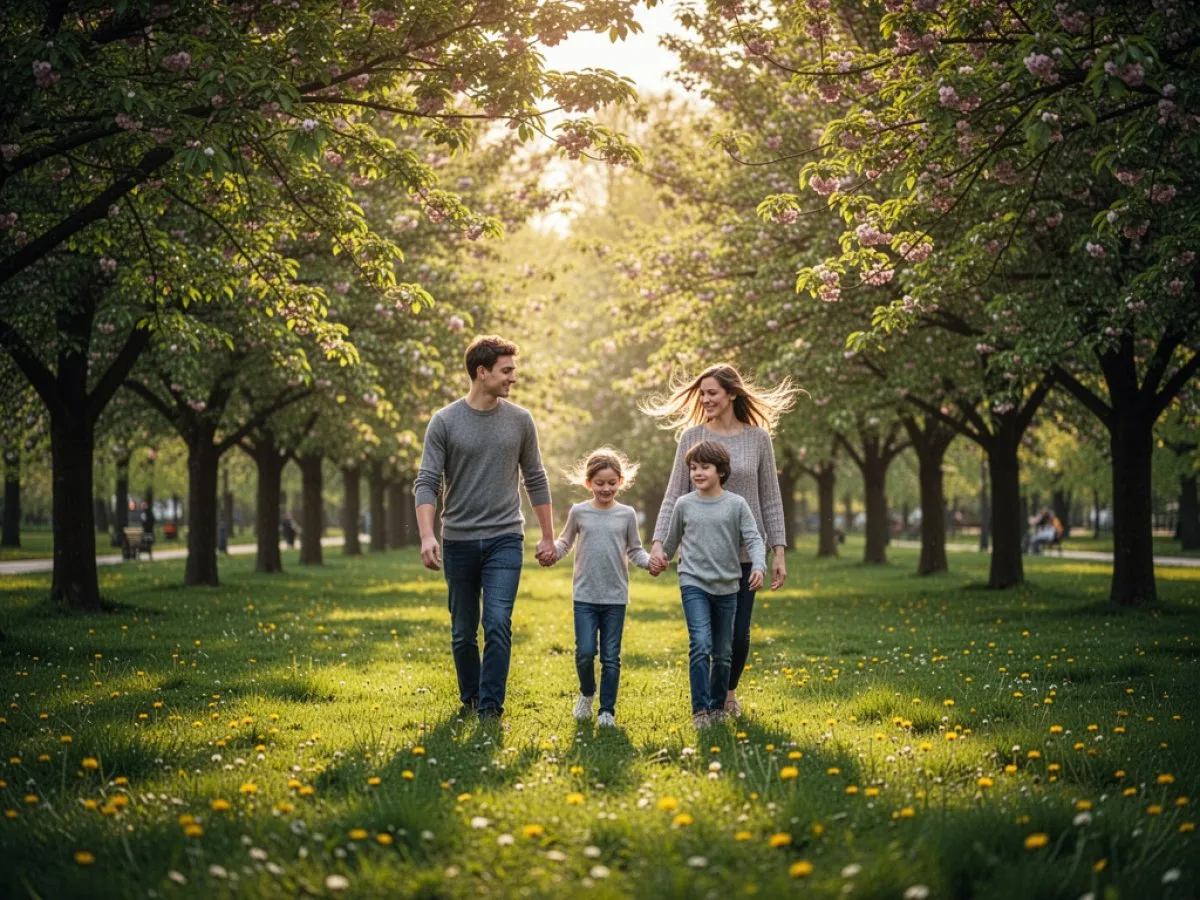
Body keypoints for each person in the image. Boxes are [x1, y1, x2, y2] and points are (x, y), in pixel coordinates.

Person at [414, 335, 556, 724]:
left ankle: (491, 708)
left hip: (505, 538)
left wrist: (547, 534)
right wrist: (427, 535)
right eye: (506, 370)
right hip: (457, 539)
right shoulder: (444, 422)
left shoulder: (521, 420)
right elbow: (427, 481)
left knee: (496, 621)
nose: (513, 377)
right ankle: (472, 698)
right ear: (482, 372)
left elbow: (536, 478)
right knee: (462, 631)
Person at [644, 364, 798, 718]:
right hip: (701, 553)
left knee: (737, 637)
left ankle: (728, 692)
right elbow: (673, 495)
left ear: (731, 394)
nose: (706, 399)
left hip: (746, 554)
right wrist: (658, 543)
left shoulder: (758, 438)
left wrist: (778, 552)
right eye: (702, 394)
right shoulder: (691, 437)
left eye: (712, 393)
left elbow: (770, 497)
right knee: (704, 639)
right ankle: (708, 706)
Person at [660, 440, 766, 729]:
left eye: (704, 467)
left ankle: (718, 706)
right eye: (693, 468)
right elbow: (670, 543)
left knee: (723, 652)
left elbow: (754, 539)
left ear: (721, 471)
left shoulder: (736, 504)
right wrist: (658, 560)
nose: (697, 473)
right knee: (701, 644)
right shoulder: (684, 504)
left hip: (728, 586)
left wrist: (758, 564)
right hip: (693, 582)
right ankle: (700, 712)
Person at [553, 448, 650, 728]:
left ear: (620, 481)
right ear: (588, 483)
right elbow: (564, 542)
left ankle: (607, 710)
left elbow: (635, 549)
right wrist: (552, 554)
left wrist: (650, 563)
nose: (606, 488)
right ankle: (586, 694)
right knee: (584, 652)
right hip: (584, 596)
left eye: (611, 483)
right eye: (599, 483)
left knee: (611, 656)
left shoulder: (627, 514)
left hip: (615, 597)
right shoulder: (579, 512)